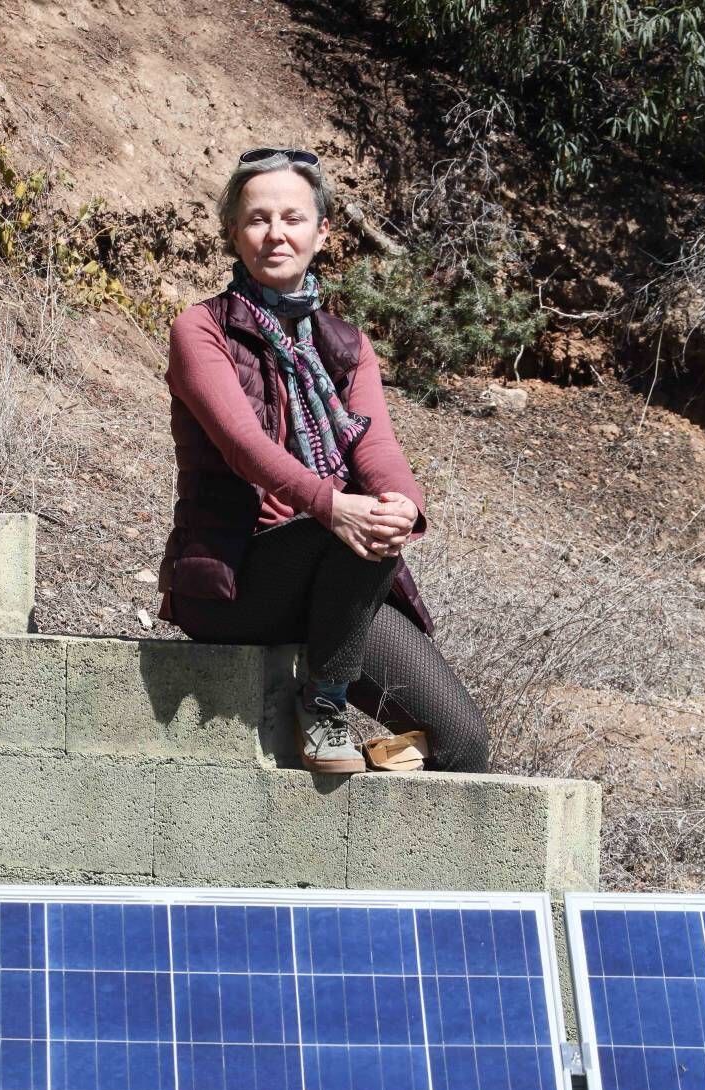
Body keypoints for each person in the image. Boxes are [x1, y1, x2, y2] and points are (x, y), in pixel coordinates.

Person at [156, 145, 489, 775]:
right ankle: (325, 700)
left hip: (337, 570)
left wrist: (402, 505)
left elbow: (376, 446)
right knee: (352, 533)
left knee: (464, 746)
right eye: (257, 219)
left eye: (293, 218)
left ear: (322, 232)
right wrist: (332, 506)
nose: (275, 233)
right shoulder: (199, 329)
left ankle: (356, 766)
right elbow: (242, 447)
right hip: (238, 579)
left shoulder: (346, 343)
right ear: (233, 233)